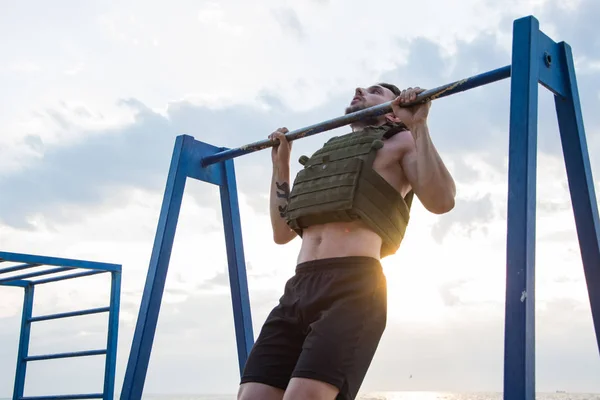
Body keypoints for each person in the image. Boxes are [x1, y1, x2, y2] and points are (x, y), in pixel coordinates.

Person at [237, 85, 456, 400]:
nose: (360, 89)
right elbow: (282, 233)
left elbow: (442, 200)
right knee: (251, 397)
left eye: (375, 91)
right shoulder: (325, 157)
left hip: (353, 285)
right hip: (298, 288)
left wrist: (418, 125)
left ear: (394, 110)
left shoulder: (402, 141)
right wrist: (280, 165)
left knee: (305, 396)